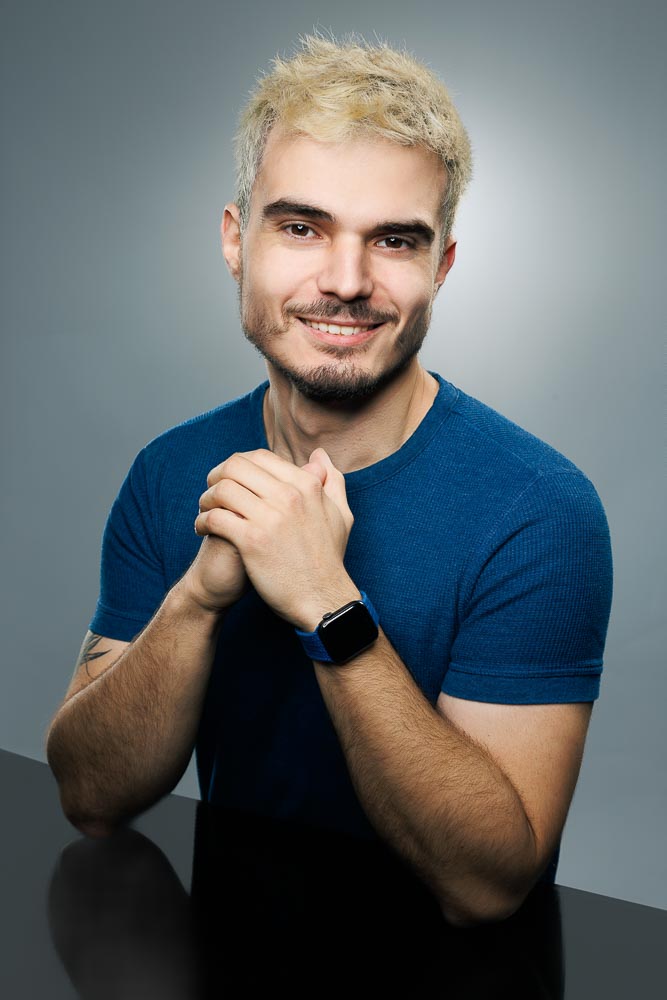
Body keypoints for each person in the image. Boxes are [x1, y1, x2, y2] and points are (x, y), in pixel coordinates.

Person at [46, 35, 613, 927]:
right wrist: (197, 599)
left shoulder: (539, 510)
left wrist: (325, 602)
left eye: (394, 239)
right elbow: (89, 795)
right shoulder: (169, 470)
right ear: (236, 241)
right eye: (301, 227)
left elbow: (487, 885)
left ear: (441, 266)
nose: (345, 282)